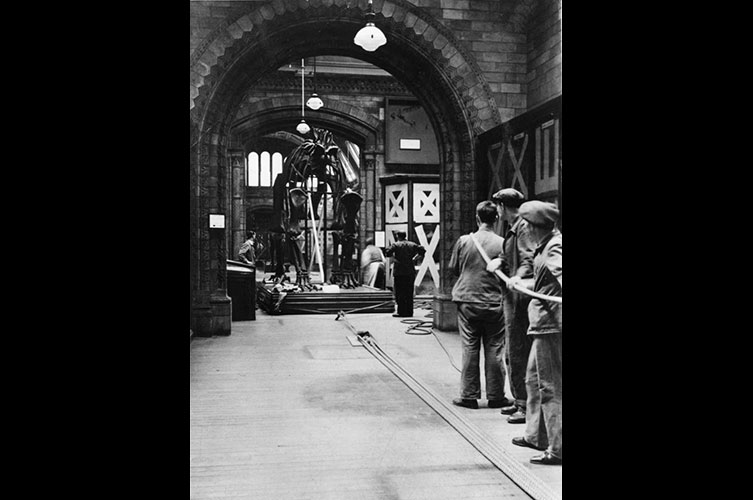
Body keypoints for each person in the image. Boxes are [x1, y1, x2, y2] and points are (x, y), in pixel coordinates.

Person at [508, 200, 562, 466]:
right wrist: (521, 282)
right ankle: (536, 435)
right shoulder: (545, 245)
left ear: (533, 226)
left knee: (550, 386)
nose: (524, 229)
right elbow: (545, 284)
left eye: (526, 224)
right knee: (533, 380)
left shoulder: (554, 247)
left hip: (551, 324)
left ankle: (558, 448)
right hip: (541, 323)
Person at [448, 201, 513, 410]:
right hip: (493, 301)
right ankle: (495, 396)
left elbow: (453, 268)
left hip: (467, 299)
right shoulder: (504, 243)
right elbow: (509, 274)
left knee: (470, 346)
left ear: (477, 218)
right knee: (495, 348)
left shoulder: (464, 241)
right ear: (496, 218)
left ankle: (468, 396)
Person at [487, 188, 536, 424]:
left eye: (497, 206)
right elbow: (512, 256)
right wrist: (501, 260)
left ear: (503, 206)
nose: (496, 210)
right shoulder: (513, 229)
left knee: (517, 351)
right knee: (511, 351)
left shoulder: (523, 228)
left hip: (519, 299)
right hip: (511, 297)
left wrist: (519, 277)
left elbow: (528, 260)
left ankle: (525, 405)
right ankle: (519, 401)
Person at [384, 230, 425, 317]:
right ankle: (409, 312)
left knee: (400, 292)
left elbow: (387, 252)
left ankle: (401, 312)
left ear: (398, 236)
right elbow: (422, 250)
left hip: (399, 271)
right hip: (410, 271)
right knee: (409, 292)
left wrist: (394, 258)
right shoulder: (412, 244)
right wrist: (415, 258)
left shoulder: (396, 244)